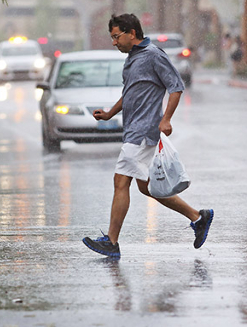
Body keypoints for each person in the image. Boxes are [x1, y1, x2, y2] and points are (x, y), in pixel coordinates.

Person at [82, 13, 214, 258]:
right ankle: (198, 217)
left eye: (116, 36)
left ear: (132, 33)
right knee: (147, 187)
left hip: (143, 132)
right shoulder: (133, 58)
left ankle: (111, 241)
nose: (114, 42)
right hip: (133, 130)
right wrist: (111, 113)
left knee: (121, 182)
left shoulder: (153, 55)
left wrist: (166, 119)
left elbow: (176, 87)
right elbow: (131, 91)